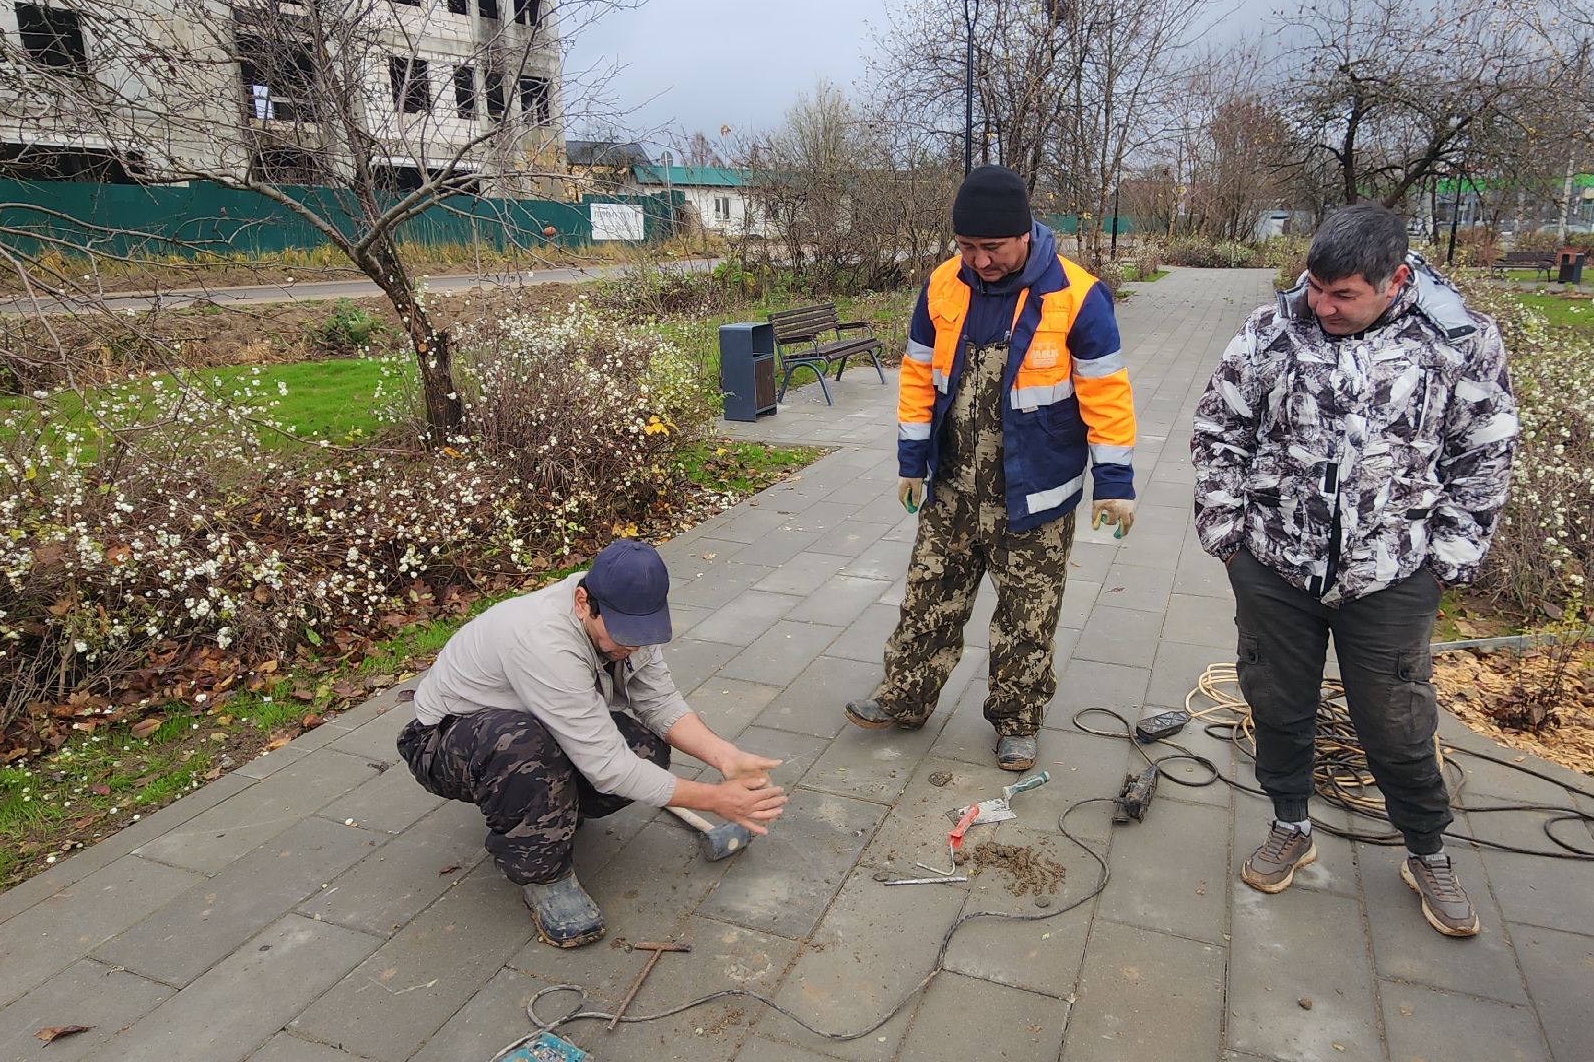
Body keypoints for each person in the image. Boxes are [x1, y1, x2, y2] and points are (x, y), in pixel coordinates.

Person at [1190, 204, 1518, 937]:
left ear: (1394, 279)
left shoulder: (1458, 342)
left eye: (1344, 295)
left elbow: (1486, 453)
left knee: (1396, 721)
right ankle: (1289, 824)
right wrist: (1229, 539)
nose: (1323, 306)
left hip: (1394, 575)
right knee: (1276, 703)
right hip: (1275, 564)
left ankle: (1427, 850)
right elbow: (1220, 428)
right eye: (1316, 287)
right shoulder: (1272, 331)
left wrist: (1445, 564)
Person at [844, 165, 1138, 771]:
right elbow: (919, 376)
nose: (978, 260)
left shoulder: (1078, 296)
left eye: (991, 247)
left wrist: (1114, 484)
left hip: (1034, 496)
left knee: (1026, 614)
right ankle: (905, 695)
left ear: (1025, 233)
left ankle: (1016, 719)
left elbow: (1107, 394)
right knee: (927, 598)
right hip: (952, 487)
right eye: (966, 247)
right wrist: (911, 460)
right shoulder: (941, 288)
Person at [395, 539, 787, 948]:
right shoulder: (542, 639)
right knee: (524, 748)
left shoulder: (631, 620)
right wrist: (716, 800)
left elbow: (658, 702)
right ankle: (543, 875)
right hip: (447, 741)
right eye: (622, 635)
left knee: (646, 751)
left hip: (532, 722)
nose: (632, 646)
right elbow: (608, 768)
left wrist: (727, 757)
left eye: (642, 634)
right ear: (583, 601)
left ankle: (547, 812)